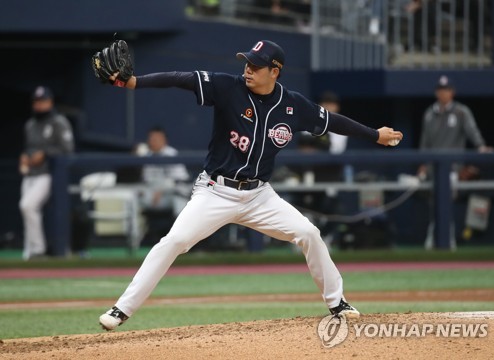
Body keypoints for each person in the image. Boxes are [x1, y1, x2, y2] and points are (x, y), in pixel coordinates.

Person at [94, 39, 403, 330]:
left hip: (259, 196)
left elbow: (333, 121)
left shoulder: (293, 105)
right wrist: (131, 81)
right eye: (247, 63)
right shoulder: (228, 87)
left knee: (309, 233)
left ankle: (338, 303)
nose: (248, 70)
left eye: (256, 66)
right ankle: (122, 309)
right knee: (174, 242)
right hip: (215, 191)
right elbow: (181, 78)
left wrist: (375, 134)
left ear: (275, 71)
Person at [417, 75, 493, 250]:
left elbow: (472, 131)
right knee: (433, 205)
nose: (444, 93)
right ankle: (433, 239)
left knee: (445, 205)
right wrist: (422, 164)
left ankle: (447, 241)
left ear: (452, 92)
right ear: (437, 92)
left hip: (452, 168)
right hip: (432, 168)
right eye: (441, 90)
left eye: (447, 90)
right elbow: (425, 142)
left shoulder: (461, 112)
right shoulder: (429, 114)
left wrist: (481, 146)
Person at [19, 86, 75, 260]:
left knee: (27, 206)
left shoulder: (59, 122)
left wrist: (45, 154)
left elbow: (68, 149)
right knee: (27, 209)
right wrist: (24, 157)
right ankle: (30, 252)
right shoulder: (30, 124)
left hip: (49, 174)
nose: (39, 105)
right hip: (30, 174)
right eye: (36, 102)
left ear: (50, 102)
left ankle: (38, 250)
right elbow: (29, 148)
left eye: (43, 101)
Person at [135, 126, 191, 244]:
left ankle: (182, 240)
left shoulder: (171, 154)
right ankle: (135, 241)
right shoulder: (147, 155)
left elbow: (181, 180)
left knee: (180, 203)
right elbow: (146, 180)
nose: (153, 141)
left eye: (156, 138)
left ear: (164, 140)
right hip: (153, 195)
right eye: (151, 138)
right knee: (133, 199)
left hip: (171, 194)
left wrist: (162, 189)